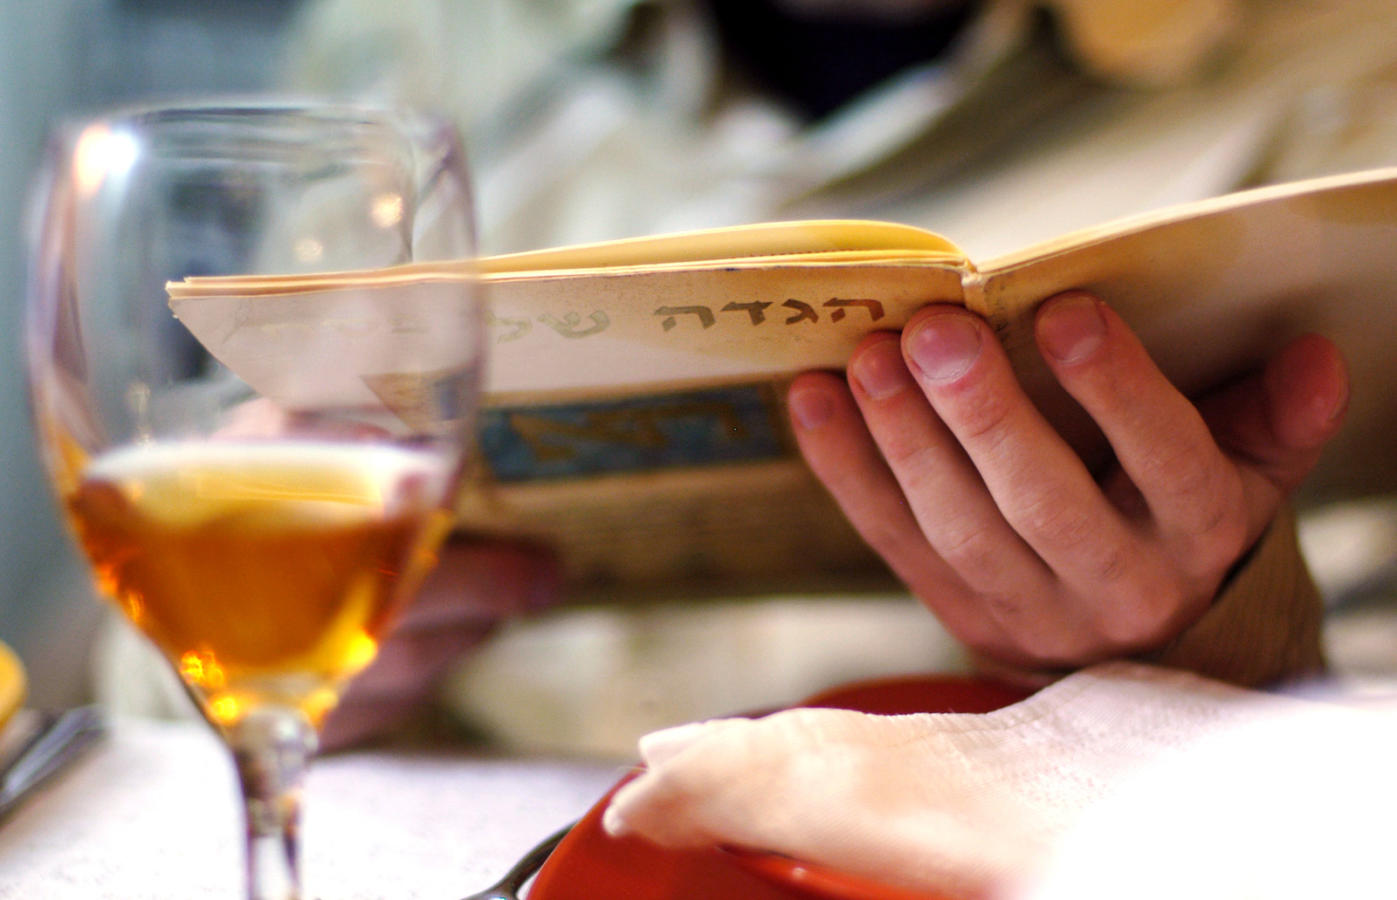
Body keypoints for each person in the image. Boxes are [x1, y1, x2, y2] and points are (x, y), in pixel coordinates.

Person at [143, 0, 1390, 748]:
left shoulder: (1351, 72)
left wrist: (1208, 651)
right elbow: (162, 686)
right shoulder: (424, 40)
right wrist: (263, 661)